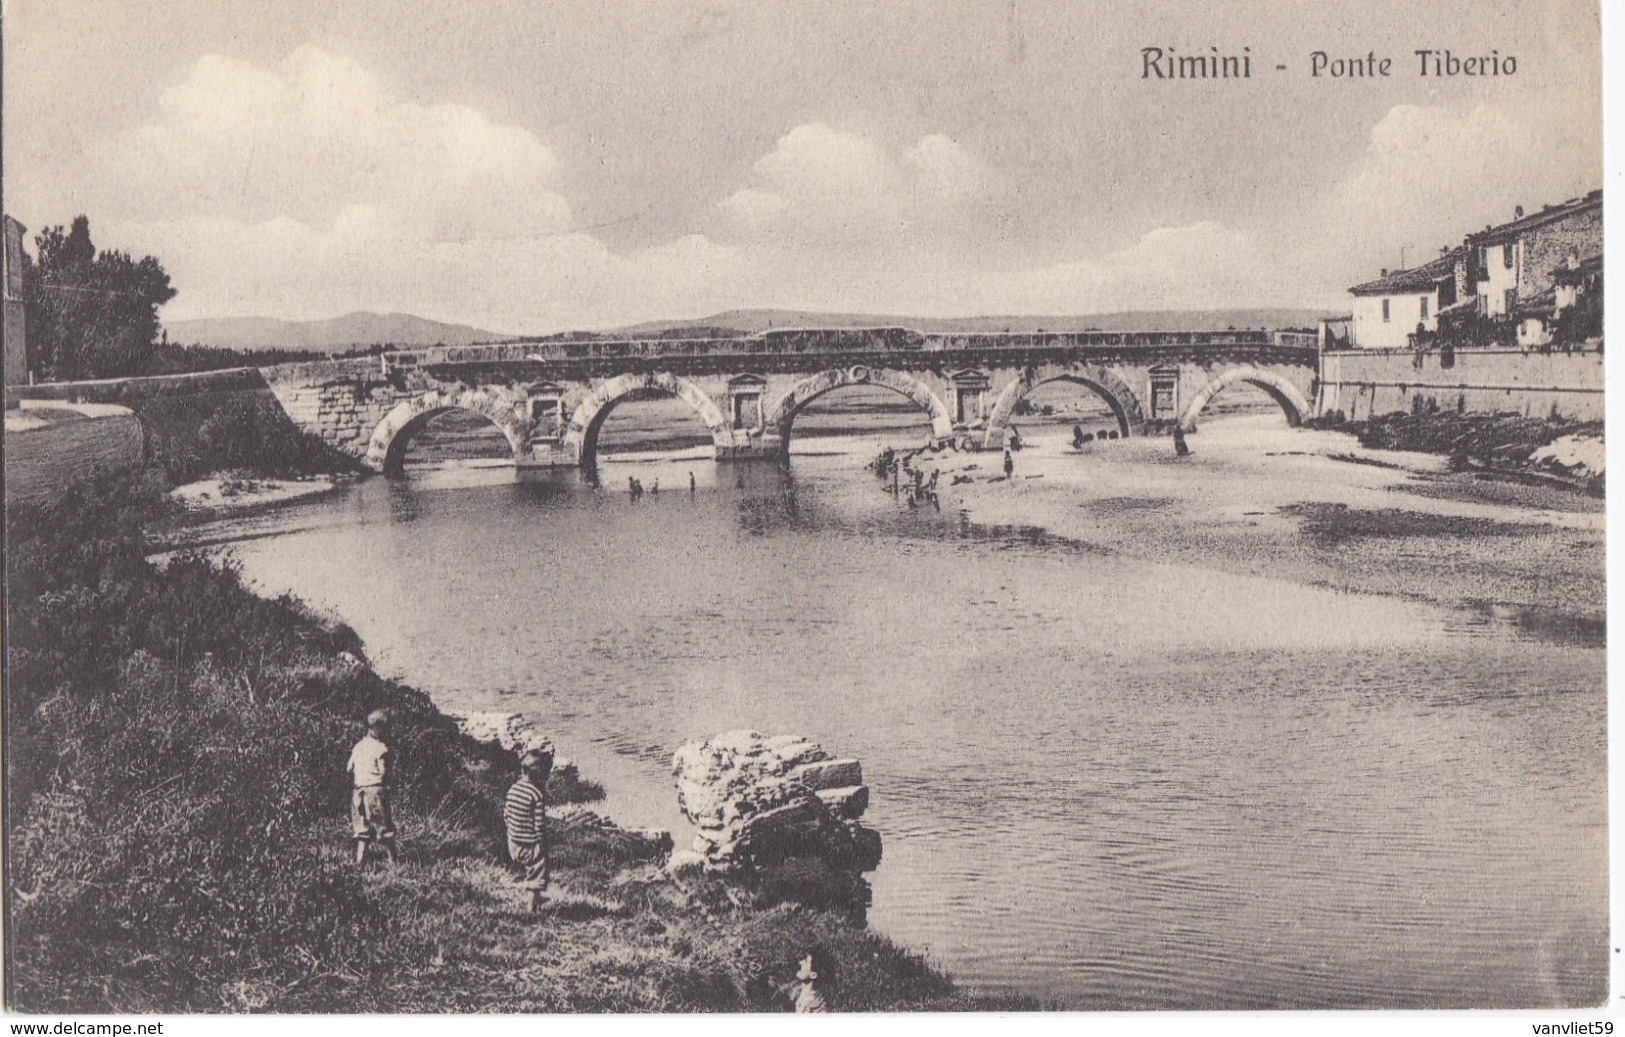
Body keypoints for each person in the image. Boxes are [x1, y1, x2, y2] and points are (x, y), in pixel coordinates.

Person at [504, 748, 554, 913]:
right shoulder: (536, 794)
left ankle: (535, 895)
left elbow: (506, 815)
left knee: (533, 869)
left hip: (512, 842)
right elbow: (539, 824)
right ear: (540, 776)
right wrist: (541, 843)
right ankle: (531, 906)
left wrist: (513, 832)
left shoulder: (512, 789)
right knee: (538, 869)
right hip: (529, 844)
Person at [347, 709, 397, 868]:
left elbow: (349, 768)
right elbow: (383, 772)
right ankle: (393, 861)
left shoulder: (358, 746)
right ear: (378, 728)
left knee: (362, 829)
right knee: (384, 827)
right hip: (375, 790)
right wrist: (388, 783)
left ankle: (360, 862)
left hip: (358, 791)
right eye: (387, 729)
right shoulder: (381, 748)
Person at [792, 947, 835, 1013]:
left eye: (806, 962)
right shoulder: (799, 996)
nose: (800, 963)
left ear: (813, 975)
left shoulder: (818, 1008)